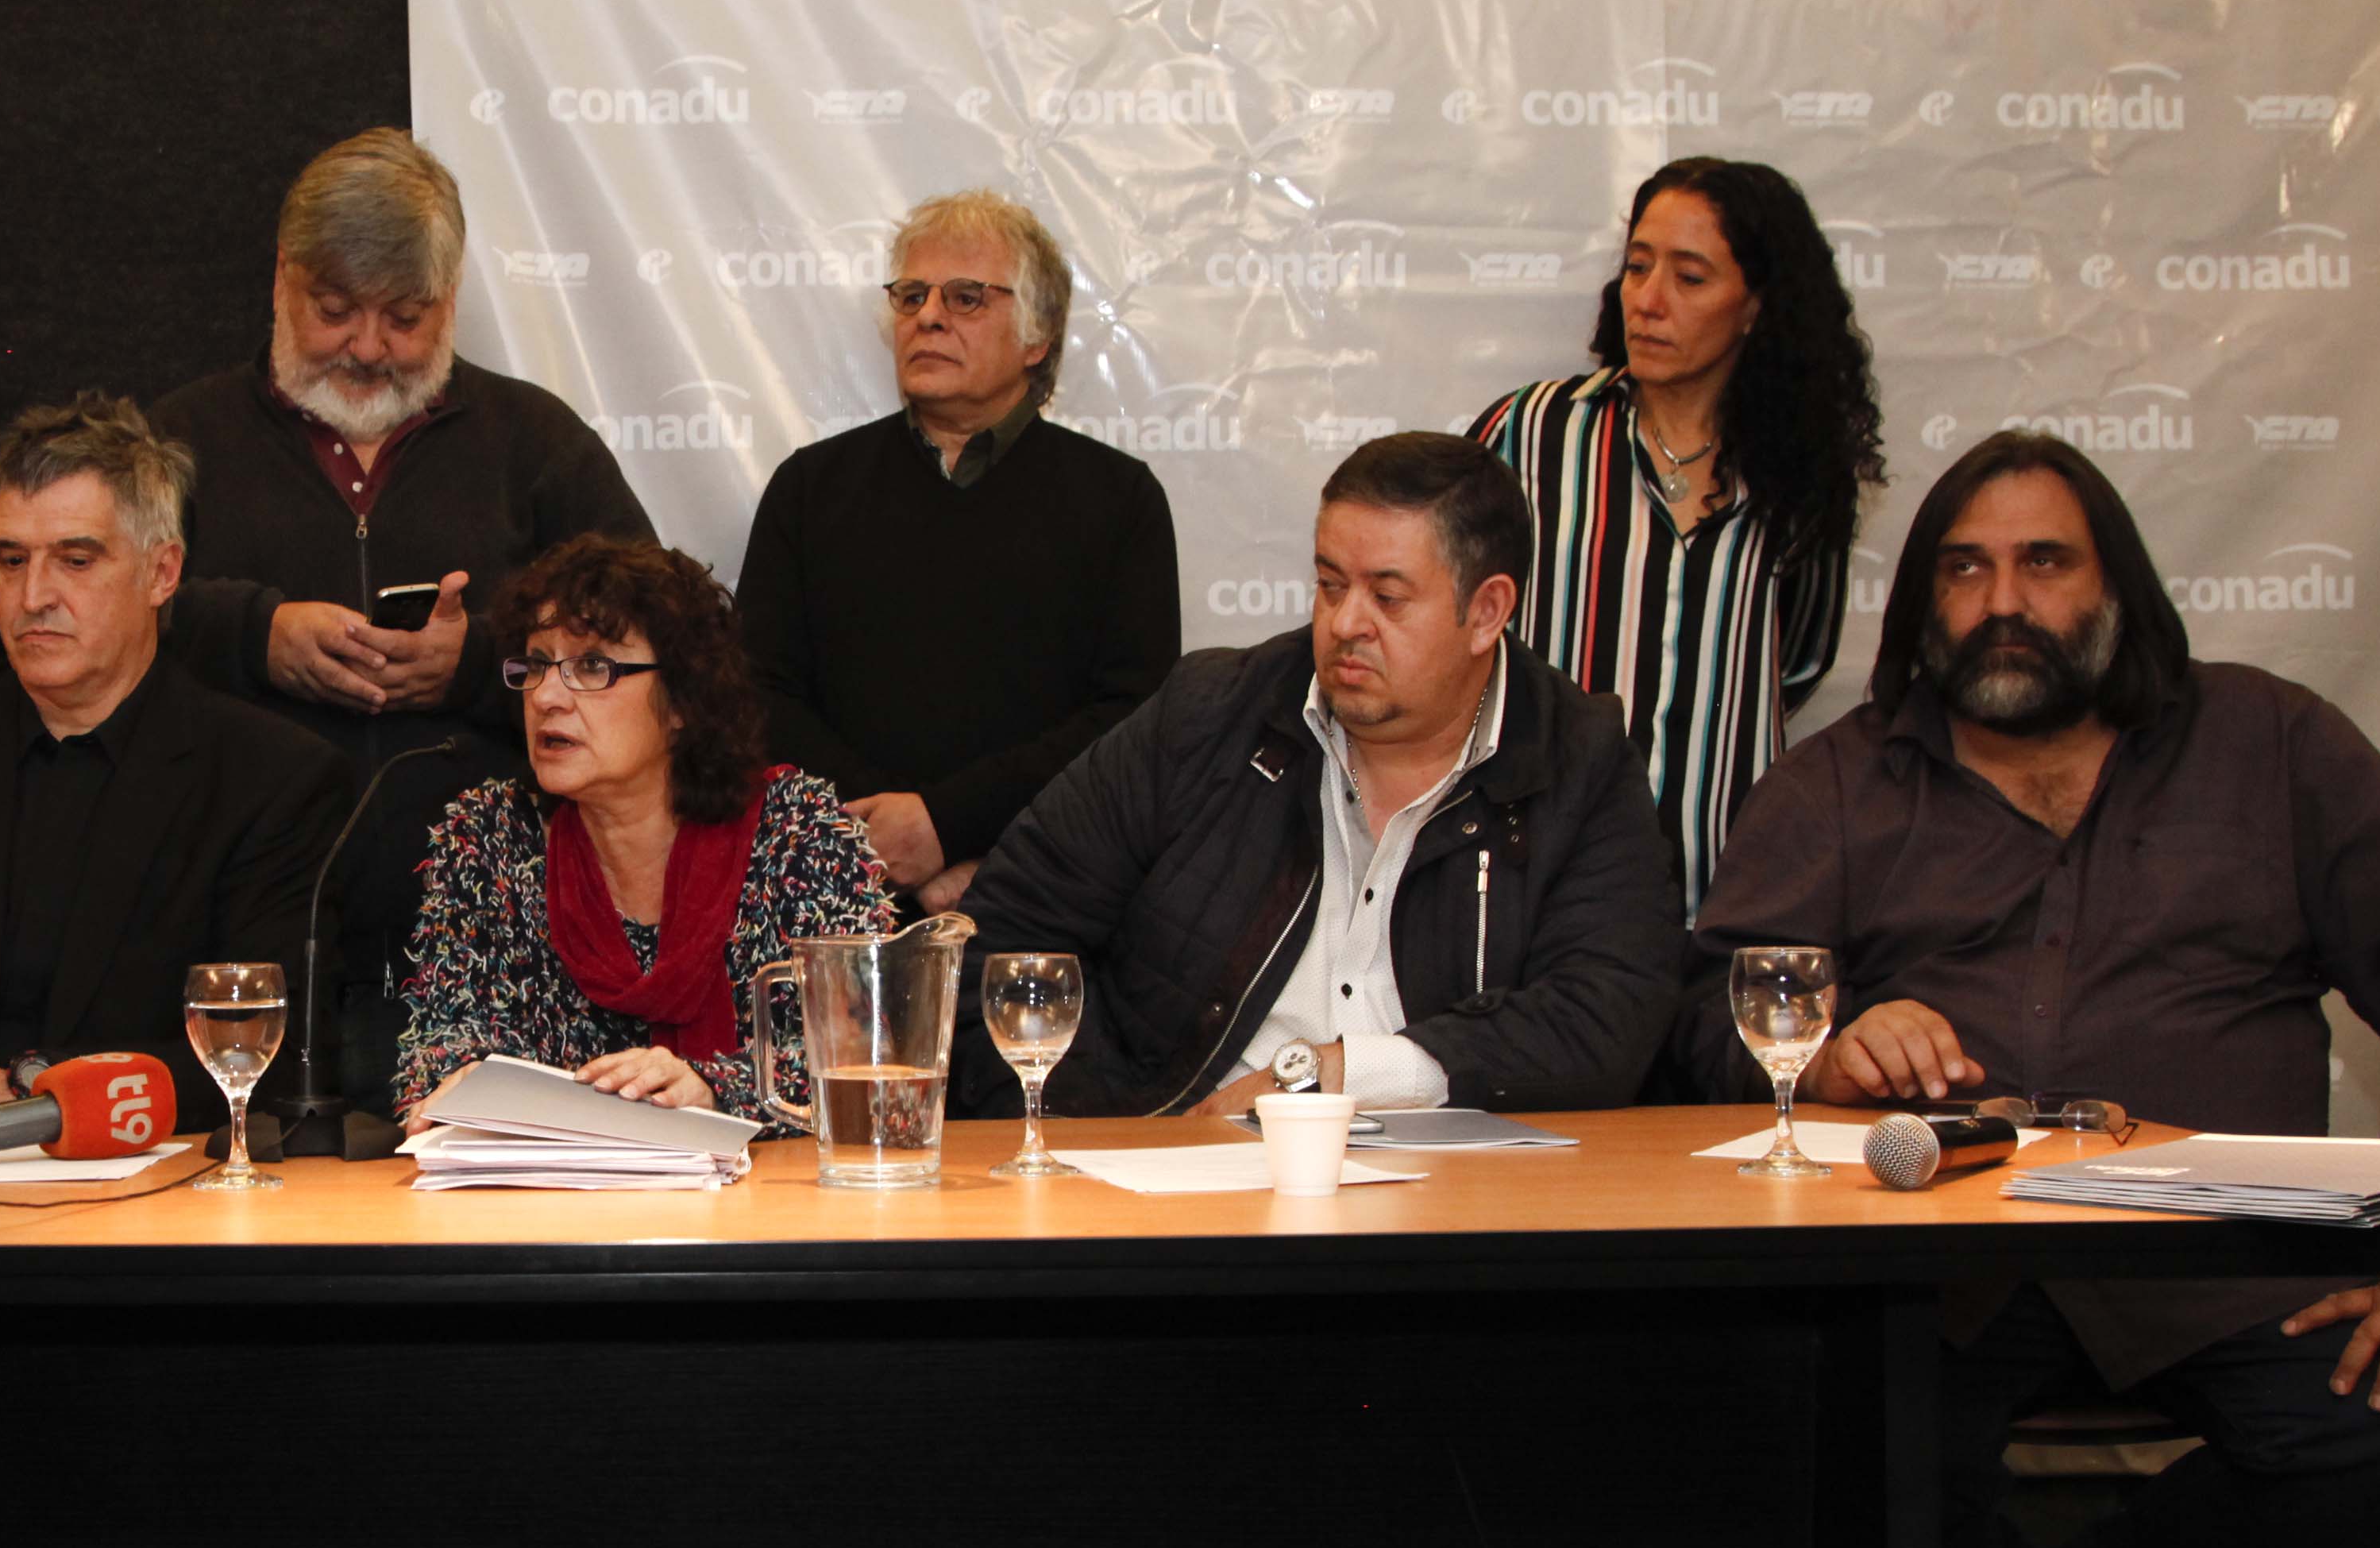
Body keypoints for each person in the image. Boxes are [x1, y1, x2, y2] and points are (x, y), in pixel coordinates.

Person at [1680, 432, 2380, 1548]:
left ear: (2115, 587)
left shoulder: (2270, 744)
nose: (2001, 601)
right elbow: (1705, 1011)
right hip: (1937, 1269)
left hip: (2221, 1260)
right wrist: (1830, 1047)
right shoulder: (1841, 781)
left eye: (2043, 562)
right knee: (1826, 1427)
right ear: (1922, 599)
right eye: (1964, 568)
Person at [947, 435, 1679, 1121]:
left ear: (1486, 611)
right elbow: (1004, 938)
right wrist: (1111, 1138)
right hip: (1185, 1161)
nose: (1346, 623)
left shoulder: (1575, 760)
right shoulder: (1213, 715)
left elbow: (1608, 1016)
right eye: (1330, 585)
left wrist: (1334, 1074)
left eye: (1387, 597)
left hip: (1454, 1190)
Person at [148, 129, 655, 1100]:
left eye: (404, 317)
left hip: (506, 962)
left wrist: (479, 666)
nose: (369, 347)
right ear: (281, 280)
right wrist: (254, 636)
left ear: (451, 299)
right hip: (234, 954)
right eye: (335, 310)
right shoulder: (178, 441)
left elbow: (651, 649)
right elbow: (89, 634)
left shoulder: (535, 441)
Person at [0, 396, 351, 1142]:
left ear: (162, 572)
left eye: (76, 561)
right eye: (11, 560)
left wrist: (26, 1093)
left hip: (152, 1195)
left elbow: (265, 1063)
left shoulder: (271, 778)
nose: (33, 597)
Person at [738, 189, 1179, 914]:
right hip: (835, 896)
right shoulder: (810, 489)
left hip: (1047, 893)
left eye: (966, 297)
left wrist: (948, 826)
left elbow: (1133, 719)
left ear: (1037, 338)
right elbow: (757, 694)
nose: (929, 316)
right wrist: (892, 836)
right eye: (911, 296)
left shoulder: (1119, 500)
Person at [1471, 156, 1885, 914]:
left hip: (1721, 901)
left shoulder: (1799, 475)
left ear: (1756, 306)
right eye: (1637, 267)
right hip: (1527, 895)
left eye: (1690, 278)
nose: (1649, 300)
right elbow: (1446, 628)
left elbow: (1794, 663)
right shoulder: (1530, 434)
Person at [391, 534, 897, 1121]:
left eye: (592, 666)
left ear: (682, 700)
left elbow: (866, 1054)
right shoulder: (492, 836)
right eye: (536, 664)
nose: (547, 696)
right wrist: (459, 1081)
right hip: (551, 1180)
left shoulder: (795, 831)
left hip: (767, 1181)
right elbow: (442, 1039)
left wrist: (712, 1090)